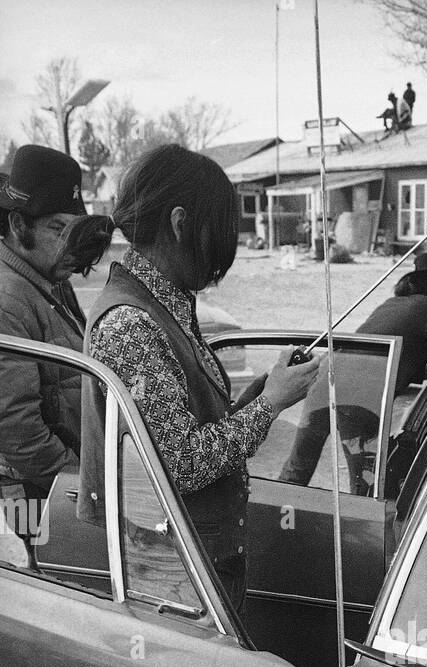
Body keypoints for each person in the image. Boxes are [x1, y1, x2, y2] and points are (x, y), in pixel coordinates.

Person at [80, 144, 318, 613]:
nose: (220, 257)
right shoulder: (132, 323)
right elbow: (180, 464)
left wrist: (263, 392)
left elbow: (188, 424)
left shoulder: (162, 301)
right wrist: (270, 405)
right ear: (179, 223)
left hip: (198, 558)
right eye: (218, 233)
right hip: (176, 572)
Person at [281, 250, 427, 489]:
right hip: (359, 393)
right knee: (365, 481)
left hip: (326, 374)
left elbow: (402, 358)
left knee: (297, 469)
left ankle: (271, 520)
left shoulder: (393, 303)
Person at [0, 145, 88, 559]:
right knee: (58, 589)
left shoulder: (52, 279)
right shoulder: (7, 299)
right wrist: (84, 485)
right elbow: (19, 433)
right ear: (18, 225)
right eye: (58, 228)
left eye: (76, 229)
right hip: (35, 491)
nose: (71, 245)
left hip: (63, 481)